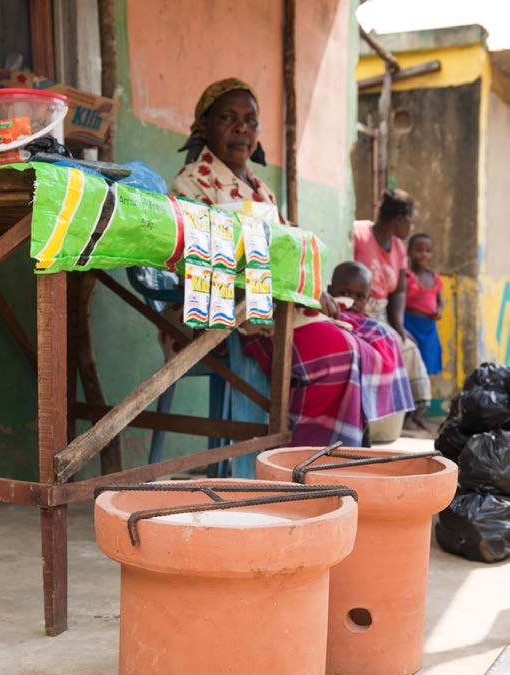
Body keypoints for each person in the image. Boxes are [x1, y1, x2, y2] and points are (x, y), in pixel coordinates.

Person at [170, 79, 408, 446]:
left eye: (250, 121)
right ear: (203, 125)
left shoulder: (260, 188)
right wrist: (302, 294)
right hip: (238, 316)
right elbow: (210, 262)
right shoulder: (191, 185)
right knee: (340, 354)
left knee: (381, 337)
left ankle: (347, 448)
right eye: (228, 118)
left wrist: (312, 291)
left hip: (283, 305)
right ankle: (307, 460)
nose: (241, 129)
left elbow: (290, 245)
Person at [354, 190, 432, 431]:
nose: (411, 227)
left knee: (408, 347)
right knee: (390, 346)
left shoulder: (398, 247)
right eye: (410, 221)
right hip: (358, 310)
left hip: (382, 314)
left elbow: (399, 290)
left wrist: (399, 326)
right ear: (399, 218)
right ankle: (385, 415)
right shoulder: (359, 234)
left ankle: (412, 412)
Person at [328, 261, 413, 424]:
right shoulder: (327, 317)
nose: (351, 301)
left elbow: (383, 347)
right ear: (330, 291)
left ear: (368, 299)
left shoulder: (370, 325)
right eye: (345, 293)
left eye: (360, 297)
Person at [404, 233, 443, 376]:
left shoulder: (434, 277)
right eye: (419, 250)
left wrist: (439, 310)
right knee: (411, 362)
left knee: (427, 361)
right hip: (409, 324)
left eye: (428, 251)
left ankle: (425, 394)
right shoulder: (406, 276)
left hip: (428, 327)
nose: (423, 255)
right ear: (409, 252)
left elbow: (439, 301)